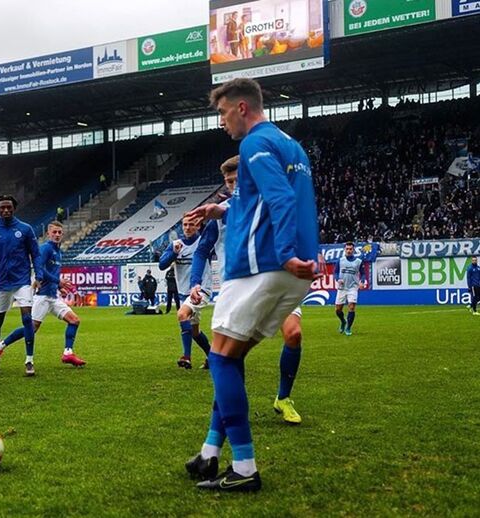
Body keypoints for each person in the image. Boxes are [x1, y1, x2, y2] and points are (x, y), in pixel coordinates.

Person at [182, 78, 320, 491]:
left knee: (222, 359)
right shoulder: (290, 145)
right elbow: (257, 197)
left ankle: (244, 468)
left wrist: (285, 251)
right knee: (232, 353)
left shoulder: (254, 143)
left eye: (223, 112)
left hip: (262, 265)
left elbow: (280, 198)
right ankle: (209, 453)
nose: (221, 121)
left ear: (242, 107)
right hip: (291, 273)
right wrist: (219, 209)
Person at [190, 155, 307, 424]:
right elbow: (202, 250)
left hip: (275, 281)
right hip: (239, 287)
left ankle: (283, 398)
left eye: (237, 180)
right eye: (228, 182)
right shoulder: (218, 213)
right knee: (234, 350)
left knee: (294, 334)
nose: (233, 186)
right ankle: (232, 406)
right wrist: (195, 282)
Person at [0, 221, 86, 367]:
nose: (57, 235)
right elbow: (40, 269)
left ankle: (68, 353)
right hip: (42, 296)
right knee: (32, 328)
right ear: (48, 233)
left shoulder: (58, 252)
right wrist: (58, 281)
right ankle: (1, 345)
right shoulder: (45, 248)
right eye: (54, 232)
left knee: (74, 321)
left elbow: (51, 272)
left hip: (52, 296)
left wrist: (58, 286)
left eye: (59, 232)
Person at [0, 195, 42, 376]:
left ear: (14, 208)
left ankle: (29, 361)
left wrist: (39, 275)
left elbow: (36, 254)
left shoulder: (25, 229)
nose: (6, 210)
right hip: (1, 283)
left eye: (9, 207)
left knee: (27, 319)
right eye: (2, 207)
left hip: (22, 281)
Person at [159, 216, 211, 370]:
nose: (187, 227)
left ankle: (186, 357)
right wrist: (174, 254)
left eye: (191, 224)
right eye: (185, 224)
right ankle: (213, 357)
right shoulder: (176, 244)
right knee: (194, 332)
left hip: (200, 290)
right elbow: (162, 265)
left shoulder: (204, 242)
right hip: (183, 293)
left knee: (182, 314)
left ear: (198, 226)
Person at [333, 241, 366, 336]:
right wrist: (338, 279)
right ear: (344, 250)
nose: (348, 251)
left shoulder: (358, 261)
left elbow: (363, 273)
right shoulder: (340, 260)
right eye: (347, 249)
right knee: (338, 310)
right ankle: (343, 321)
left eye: (350, 249)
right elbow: (335, 272)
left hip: (353, 287)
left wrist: (362, 281)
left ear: (353, 250)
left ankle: (348, 327)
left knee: (351, 307)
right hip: (342, 288)